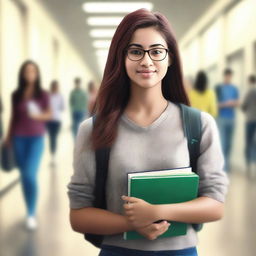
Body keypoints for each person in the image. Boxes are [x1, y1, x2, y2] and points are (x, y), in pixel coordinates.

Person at [68, 9, 228, 256]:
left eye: (156, 51)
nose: (146, 61)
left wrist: (157, 212)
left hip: (180, 251)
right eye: (135, 51)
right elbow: (78, 215)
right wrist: (130, 223)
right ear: (121, 58)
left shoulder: (199, 125)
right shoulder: (93, 129)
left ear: (170, 58)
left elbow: (215, 204)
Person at [4, 60, 51, 230]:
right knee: (24, 176)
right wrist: (8, 139)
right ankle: (29, 210)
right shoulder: (16, 94)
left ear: (37, 74)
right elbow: (13, 118)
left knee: (30, 175)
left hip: (36, 138)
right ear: (22, 74)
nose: (30, 74)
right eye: (27, 71)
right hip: (18, 139)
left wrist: (38, 116)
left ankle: (31, 213)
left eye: (33, 71)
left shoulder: (43, 94)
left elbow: (49, 114)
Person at [215, 68, 239, 172]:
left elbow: (238, 102)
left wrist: (233, 103)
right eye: (227, 76)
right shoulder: (219, 88)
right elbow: (215, 105)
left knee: (229, 144)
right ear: (224, 76)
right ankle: (223, 168)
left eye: (230, 76)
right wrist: (225, 104)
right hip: (221, 118)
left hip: (232, 119)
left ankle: (227, 167)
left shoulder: (234, 89)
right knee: (223, 143)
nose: (228, 78)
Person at [46, 80, 64, 166]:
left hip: (56, 120)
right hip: (49, 120)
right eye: (55, 86)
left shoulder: (60, 96)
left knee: (54, 138)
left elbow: (63, 107)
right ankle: (52, 156)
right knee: (51, 137)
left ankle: (53, 156)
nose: (56, 88)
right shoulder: (48, 96)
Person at [241, 75, 256, 176]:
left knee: (248, 142)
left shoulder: (249, 92)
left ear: (249, 81)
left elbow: (243, 106)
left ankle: (248, 166)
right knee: (254, 142)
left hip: (250, 120)